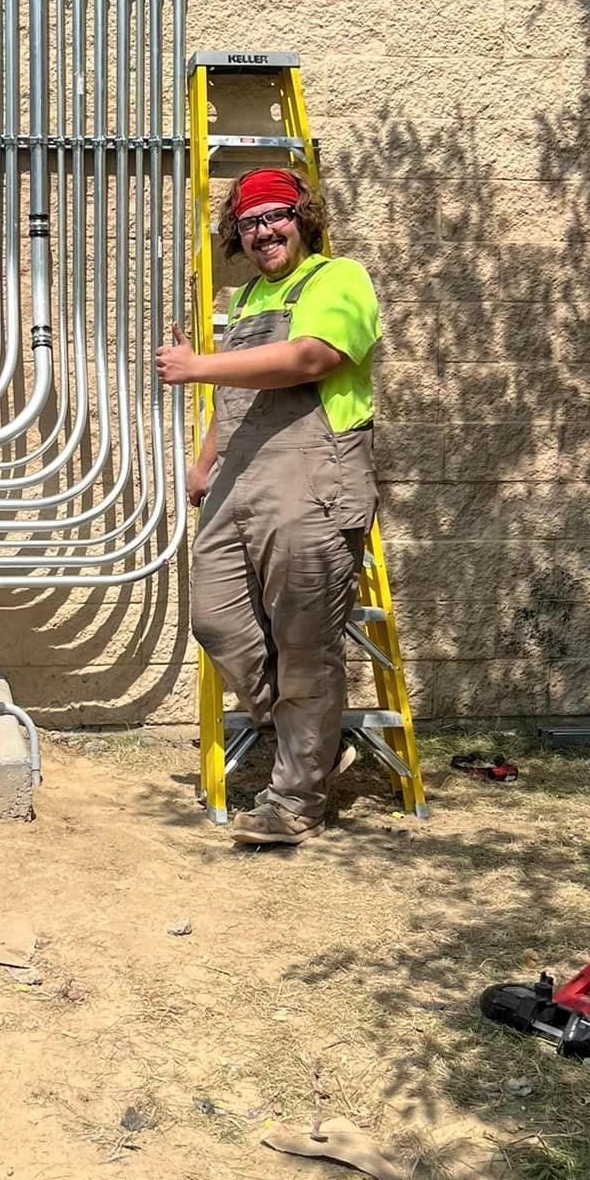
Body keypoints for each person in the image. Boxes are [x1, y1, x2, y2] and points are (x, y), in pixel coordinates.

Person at [158, 167, 381, 845]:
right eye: (248, 223)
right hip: (239, 477)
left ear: (303, 217)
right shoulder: (252, 295)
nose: (261, 232)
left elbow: (311, 358)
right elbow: (242, 399)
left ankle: (294, 803)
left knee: (305, 644)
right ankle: (311, 745)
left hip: (312, 474)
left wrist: (197, 366)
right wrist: (203, 465)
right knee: (216, 619)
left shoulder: (337, 280)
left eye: (273, 216)